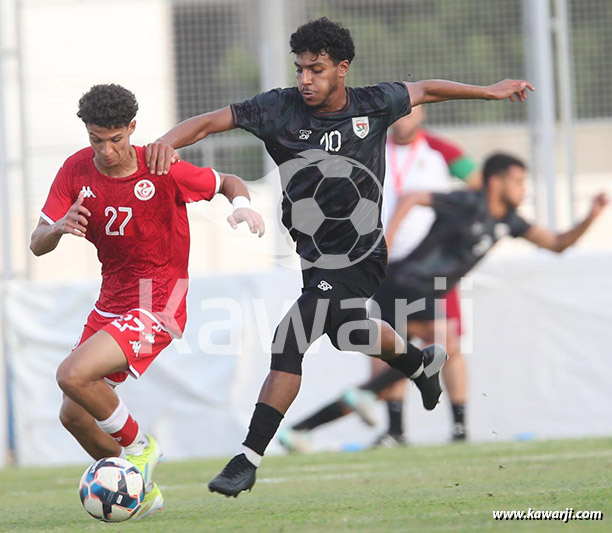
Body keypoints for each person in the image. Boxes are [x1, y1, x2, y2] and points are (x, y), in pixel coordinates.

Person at [146, 17, 533, 497]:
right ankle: (419, 365)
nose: (305, 80)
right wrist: (164, 142)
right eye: (300, 69)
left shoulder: (374, 103)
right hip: (314, 257)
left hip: (361, 253)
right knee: (347, 333)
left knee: (291, 338)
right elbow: (208, 122)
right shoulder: (277, 109)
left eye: (317, 69)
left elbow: (427, 89)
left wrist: (490, 91)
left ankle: (246, 460)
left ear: (342, 68)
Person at [29, 84, 265, 517]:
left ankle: (141, 447)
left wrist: (243, 207)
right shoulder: (75, 170)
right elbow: (37, 242)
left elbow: (229, 182)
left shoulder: (161, 166)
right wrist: (60, 227)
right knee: (75, 416)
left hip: (160, 300)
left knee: (72, 374)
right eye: (97, 139)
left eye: (116, 139)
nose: (107, 150)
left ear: (132, 129)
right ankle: (142, 492)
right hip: (112, 300)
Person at [276, 152, 609, 452]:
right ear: (496, 182)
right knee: (444, 342)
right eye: (518, 181)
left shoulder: (510, 221)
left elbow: (557, 244)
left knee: (416, 361)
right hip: (403, 282)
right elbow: (412, 196)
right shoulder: (467, 202)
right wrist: (386, 241)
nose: (524, 189)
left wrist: (591, 216)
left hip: (420, 289)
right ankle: (374, 404)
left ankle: (303, 429)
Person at [279, 108, 480, 452]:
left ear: (424, 113)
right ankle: (395, 429)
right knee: (387, 342)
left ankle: (460, 427)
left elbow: (478, 187)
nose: (404, 119)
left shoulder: (440, 152)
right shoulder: (372, 146)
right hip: (381, 263)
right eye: (400, 112)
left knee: (447, 341)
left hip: (432, 266)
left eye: (412, 111)